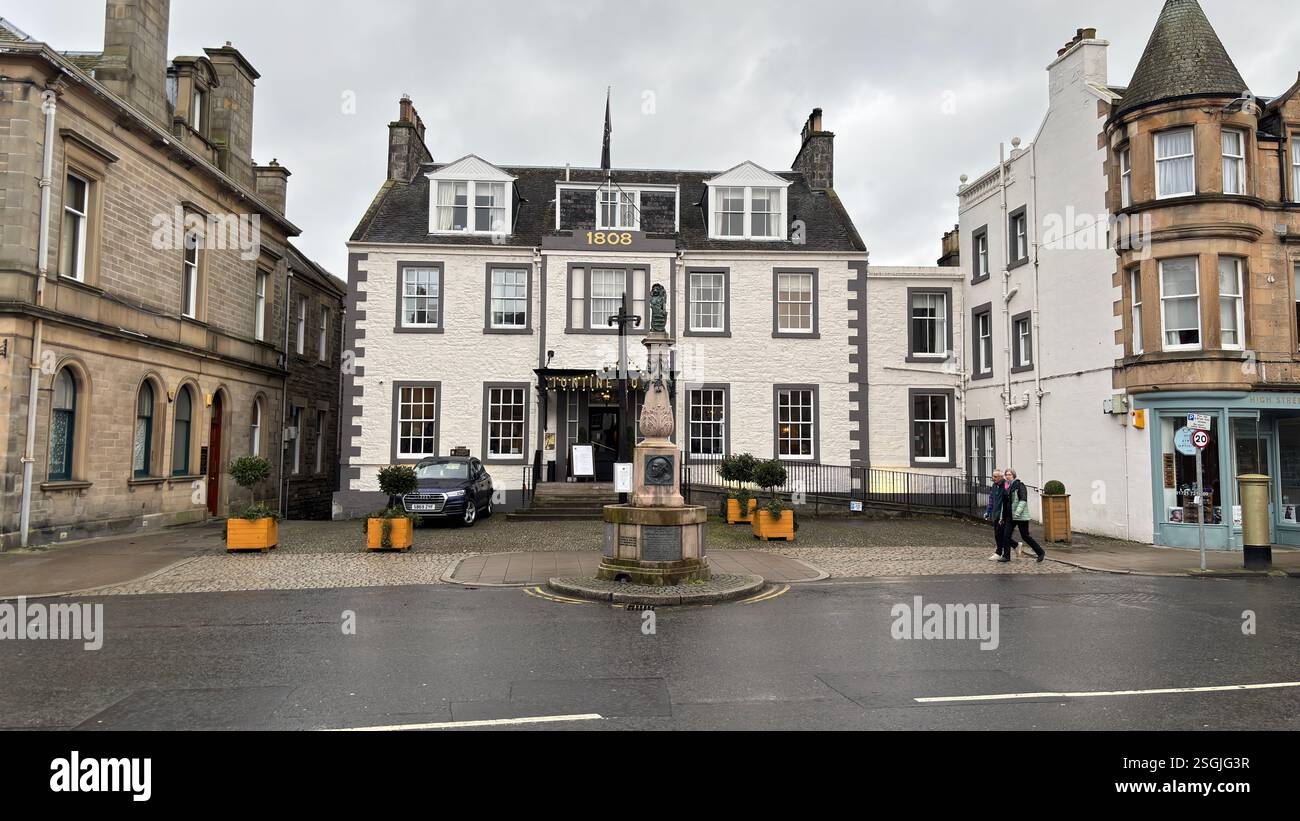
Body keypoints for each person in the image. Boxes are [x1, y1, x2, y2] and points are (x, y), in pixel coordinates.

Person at [1002, 469, 1045, 563]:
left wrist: (1017, 512)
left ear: (1013, 476)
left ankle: (1040, 552)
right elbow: (1005, 503)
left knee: (1025, 536)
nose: (1007, 476)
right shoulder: (1006, 487)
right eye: (1006, 475)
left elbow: (1023, 500)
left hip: (1020, 516)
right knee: (1005, 536)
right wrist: (1003, 516)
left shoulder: (1019, 485)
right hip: (1010, 516)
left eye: (1009, 474)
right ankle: (1006, 556)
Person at [983, 470, 1017, 561]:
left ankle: (999, 552)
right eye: (993, 476)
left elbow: (1007, 500)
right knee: (999, 534)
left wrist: (1003, 514)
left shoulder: (1006, 486)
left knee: (1000, 534)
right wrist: (988, 511)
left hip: (1004, 515)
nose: (993, 478)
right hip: (996, 513)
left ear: (1001, 477)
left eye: (995, 476)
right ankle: (1015, 545)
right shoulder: (994, 486)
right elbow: (991, 499)